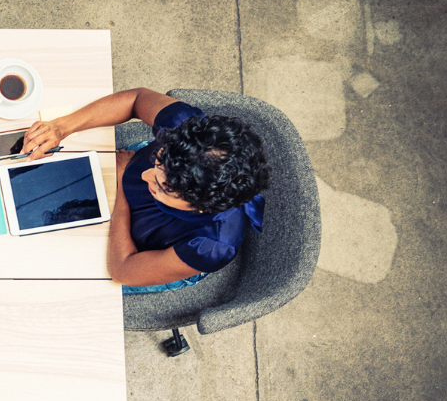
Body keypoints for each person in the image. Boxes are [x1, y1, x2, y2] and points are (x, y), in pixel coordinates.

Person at [20, 88, 271, 291]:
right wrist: (62, 127)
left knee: (58, 274)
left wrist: (121, 185)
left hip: (144, 256)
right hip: (122, 174)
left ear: (200, 207)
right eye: (158, 159)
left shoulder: (210, 246)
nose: (144, 175)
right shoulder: (185, 131)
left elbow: (122, 270)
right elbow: (137, 99)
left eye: (163, 186)